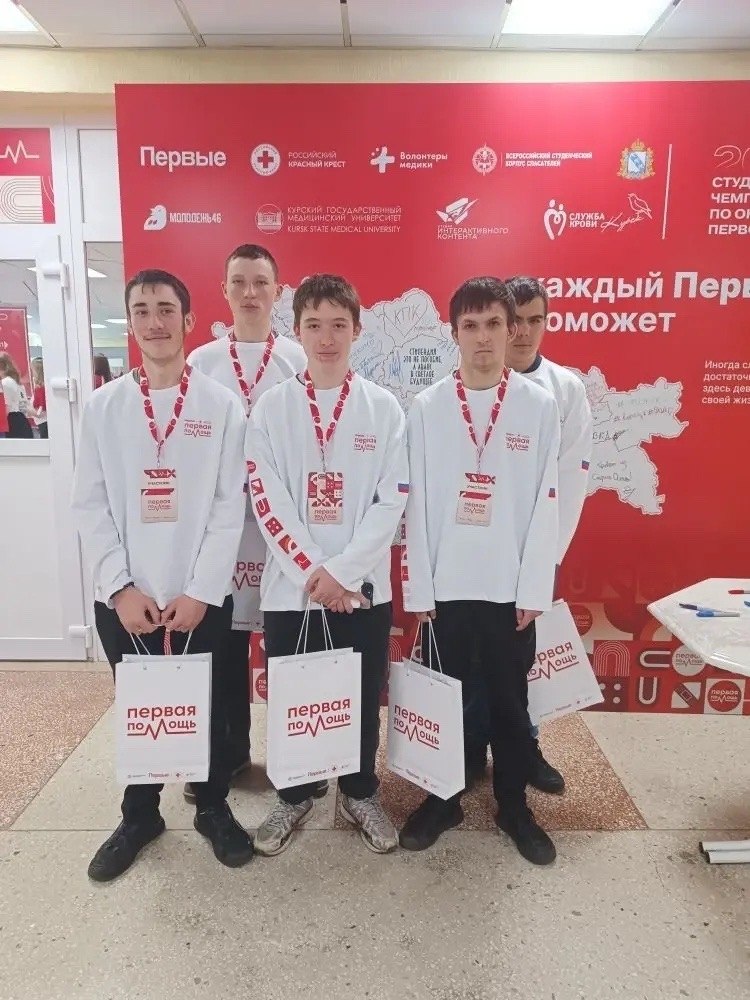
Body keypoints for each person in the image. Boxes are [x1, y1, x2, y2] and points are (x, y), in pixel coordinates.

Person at [72, 268, 253, 882]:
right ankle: (140, 815)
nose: (154, 322)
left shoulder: (220, 406)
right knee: (142, 709)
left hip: (201, 595)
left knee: (210, 703)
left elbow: (229, 505)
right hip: (126, 598)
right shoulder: (104, 408)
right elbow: (90, 504)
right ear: (130, 324)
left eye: (166, 309)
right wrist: (120, 588)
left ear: (189, 320)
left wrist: (201, 590)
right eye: (142, 310)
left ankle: (213, 807)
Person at [399, 276, 561, 865]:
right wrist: (418, 588)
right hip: (446, 589)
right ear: (454, 333)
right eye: (471, 325)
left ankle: (513, 806)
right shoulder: (427, 407)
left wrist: (534, 587)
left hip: (508, 590)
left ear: (511, 329)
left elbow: (546, 500)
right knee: (447, 701)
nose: (484, 337)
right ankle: (443, 800)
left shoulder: (538, 406)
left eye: (495, 323)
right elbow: (415, 504)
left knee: (511, 706)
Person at [247, 273, 408, 856]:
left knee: (361, 695)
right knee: (296, 698)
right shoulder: (271, 408)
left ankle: (359, 793)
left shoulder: (383, 409)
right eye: (314, 325)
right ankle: (293, 796)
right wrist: (314, 572)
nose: (326, 338)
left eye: (339, 324)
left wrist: (343, 573)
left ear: (357, 330)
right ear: (296, 330)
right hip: (291, 592)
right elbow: (266, 499)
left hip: (360, 591)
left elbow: (392, 500)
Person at [187, 244, 319, 801]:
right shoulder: (201, 362)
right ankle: (227, 755)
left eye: (260, 282)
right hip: (220, 530)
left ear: (277, 291)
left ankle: (301, 762)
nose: (249, 292)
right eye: (238, 281)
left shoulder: (298, 358)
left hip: (282, 528)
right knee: (220, 648)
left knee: (291, 647)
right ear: (223, 289)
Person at [462, 276, 594, 795]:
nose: (522, 332)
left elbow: (570, 482)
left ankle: (524, 749)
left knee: (522, 666)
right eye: (513, 321)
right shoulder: (462, 389)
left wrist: (542, 565)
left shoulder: (563, 391)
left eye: (534, 320)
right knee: (473, 662)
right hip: (474, 557)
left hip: (530, 558)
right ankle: (471, 746)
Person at [0, 353, 33, 438]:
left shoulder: (5, 383)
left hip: (12, 422)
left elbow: (6, 407)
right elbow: (24, 405)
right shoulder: (16, 381)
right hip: (20, 420)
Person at [31, 357, 48, 439]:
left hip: (44, 422)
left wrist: (29, 411)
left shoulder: (41, 389)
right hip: (42, 422)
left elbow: (40, 410)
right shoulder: (40, 388)